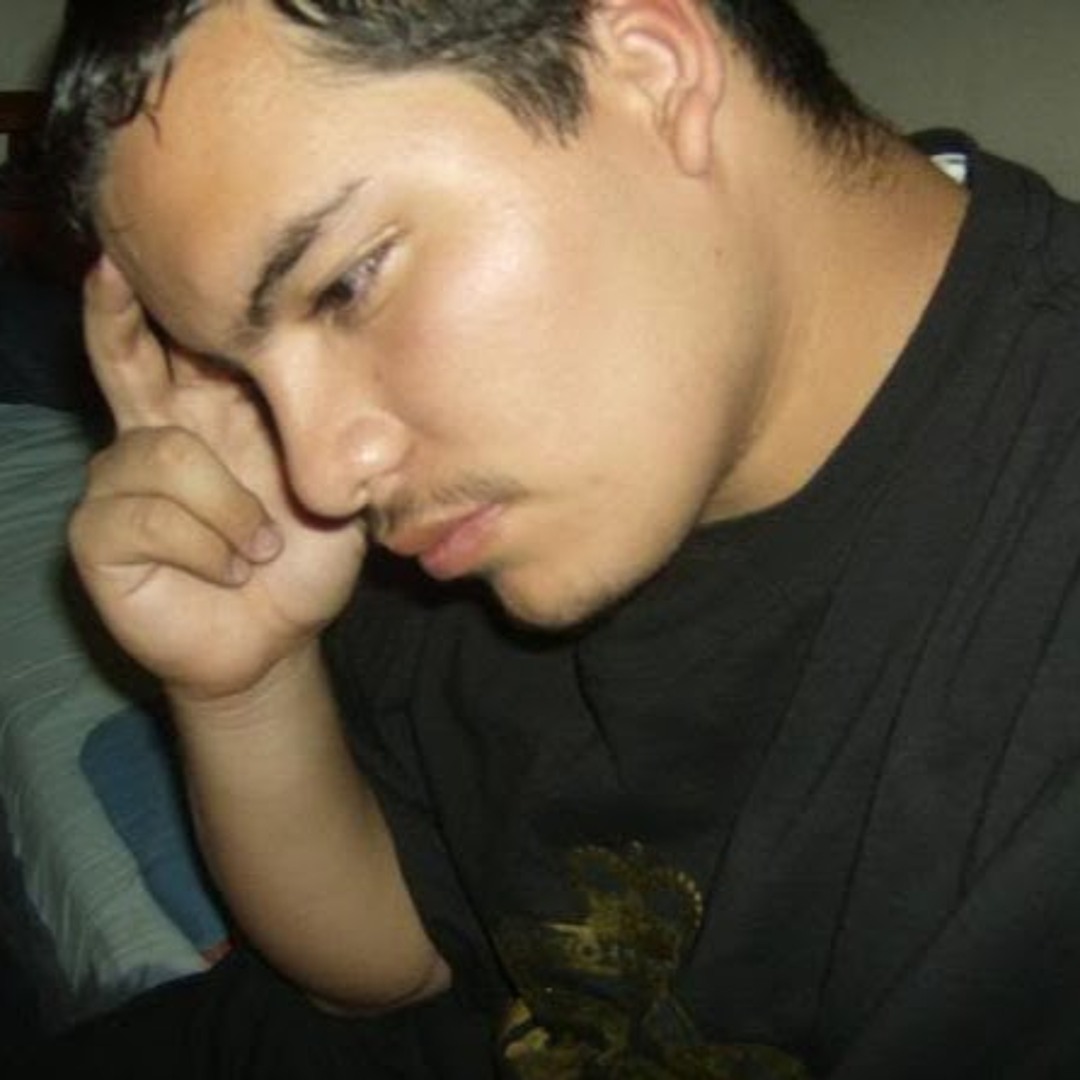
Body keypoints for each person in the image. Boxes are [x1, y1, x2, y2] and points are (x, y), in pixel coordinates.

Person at [16, 0, 1080, 1076]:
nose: (322, 478)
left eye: (345, 285)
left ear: (654, 73)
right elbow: (397, 960)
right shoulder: (529, 476)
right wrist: (247, 685)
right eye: (243, 376)